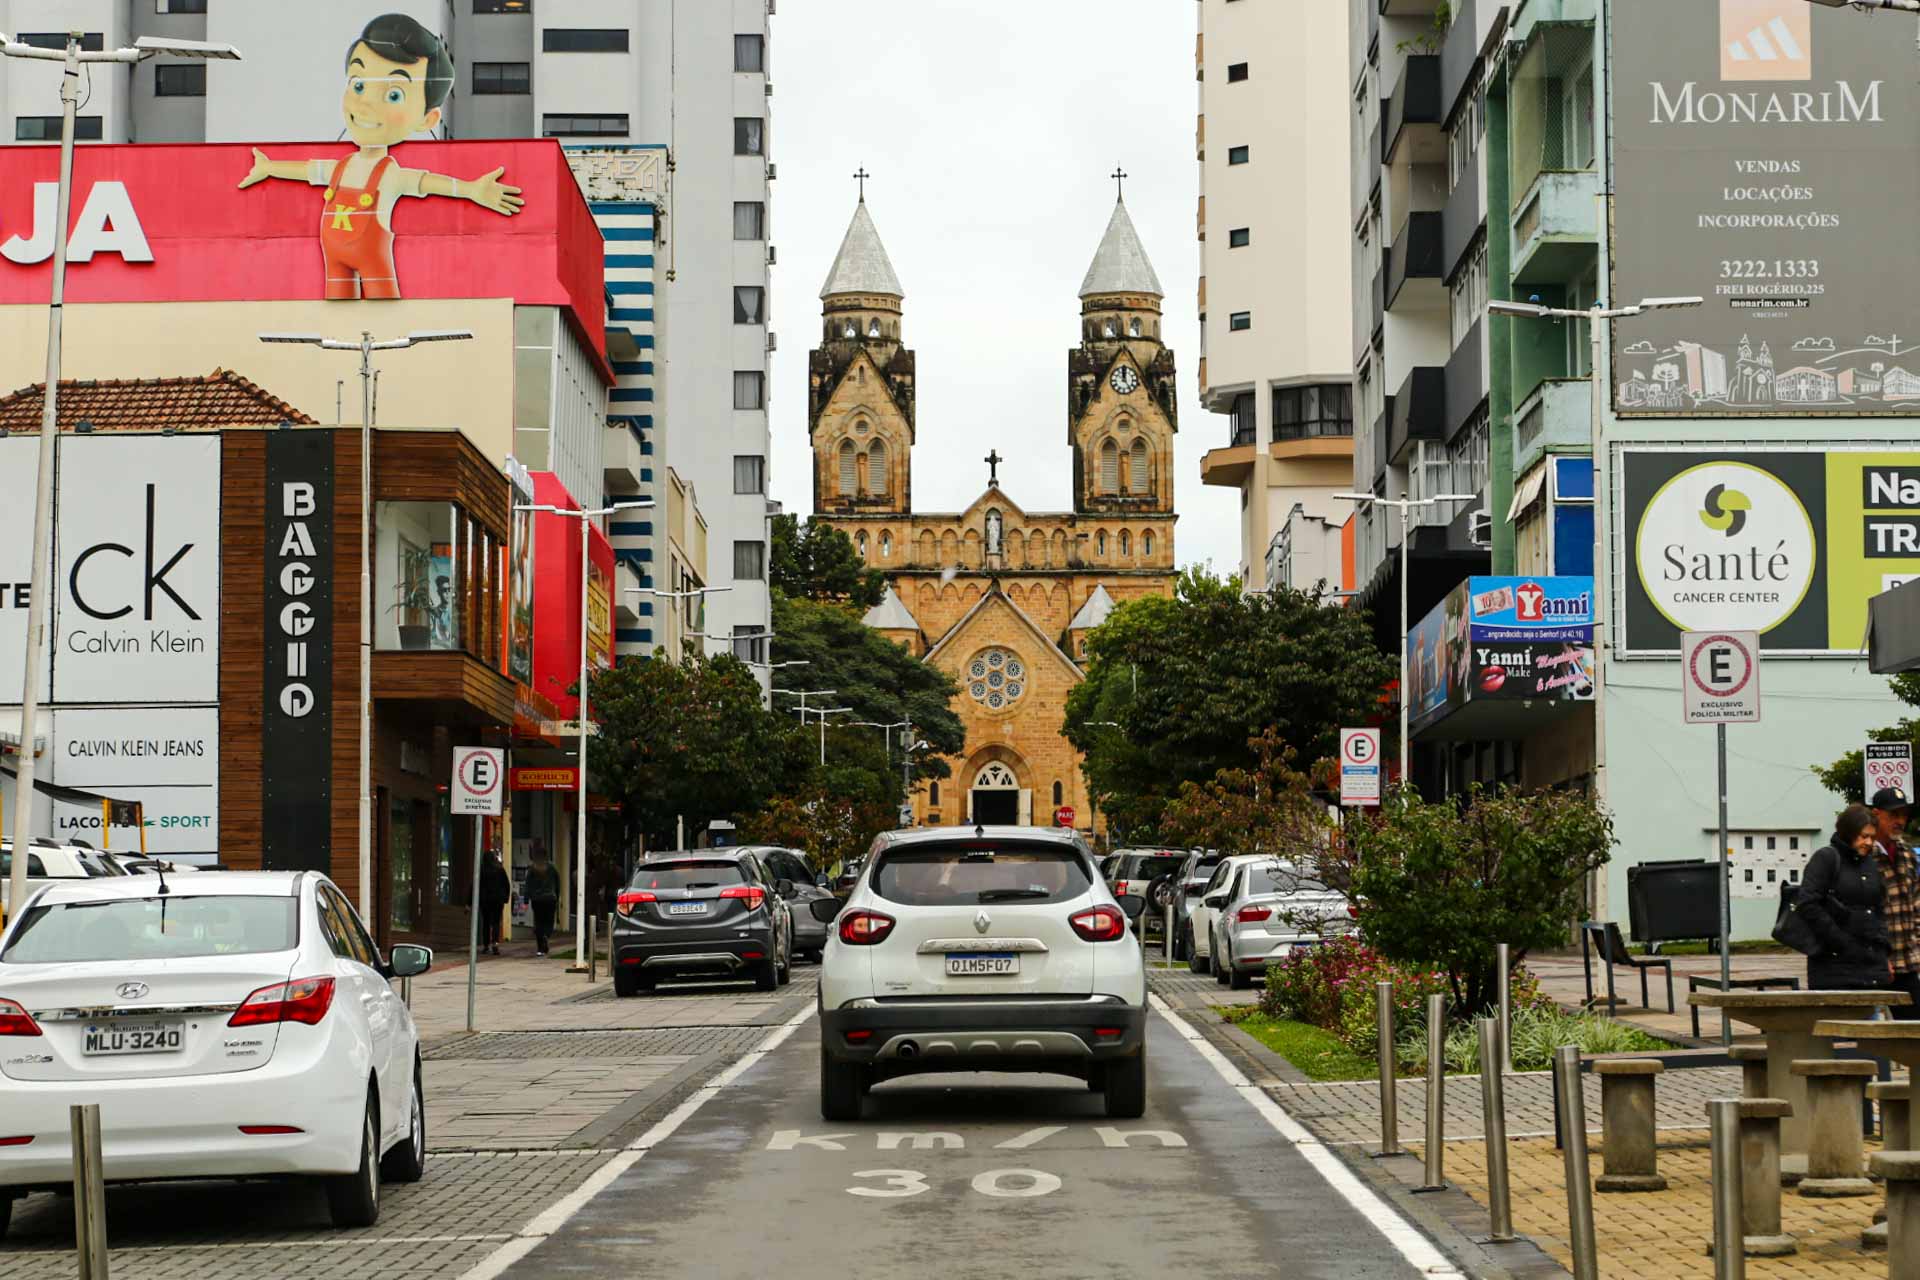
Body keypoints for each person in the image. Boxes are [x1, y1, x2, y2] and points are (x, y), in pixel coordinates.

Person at [236, 13, 523, 298]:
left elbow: (426, 182)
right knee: (336, 313)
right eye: (358, 84)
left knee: (385, 309)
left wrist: (471, 190)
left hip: (373, 257)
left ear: (427, 119)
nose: (366, 103)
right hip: (333, 257)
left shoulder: (390, 174)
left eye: (394, 95)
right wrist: (270, 167)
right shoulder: (340, 167)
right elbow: (307, 170)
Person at [1796, 804, 1892, 991]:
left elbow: (1878, 909)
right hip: (1834, 970)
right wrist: (1841, 941)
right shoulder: (1826, 858)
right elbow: (1808, 904)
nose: (1869, 843)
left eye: (1872, 837)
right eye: (1864, 836)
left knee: (1870, 1019)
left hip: (1871, 969)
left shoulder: (1871, 865)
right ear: (1849, 833)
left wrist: (1883, 949)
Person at [1871, 787, 1919, 1018]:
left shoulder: (1907, 854)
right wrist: (1878, 956)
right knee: (1869, 1040)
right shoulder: (1864, 856)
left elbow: (1917, 903)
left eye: (1903, 815)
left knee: (1912, 1036)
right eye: (1893, 815)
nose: (1899, 821)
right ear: (1876, 814)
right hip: (1875, 964)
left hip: (1908, 962)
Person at [524, 843, 560, 958]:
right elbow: (558, 883)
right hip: (550, 898)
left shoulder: (532, 869)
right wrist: (557, 896)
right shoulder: (552, 867)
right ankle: (546, 936)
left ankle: (540, 948)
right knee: (549, 921)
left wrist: (526, 900)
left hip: (537, 900)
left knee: (538, 922)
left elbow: (527, 885)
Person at [479, 850, 511, 957]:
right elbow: (506, 884)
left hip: (485, 900)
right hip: (497, 900)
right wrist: (506, 898)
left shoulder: (482, 871)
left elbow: (476, 885)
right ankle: (495, 943)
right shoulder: (500, 869)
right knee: (496, 922)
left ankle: (486, 945)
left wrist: (469, 903)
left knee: (486, 922)